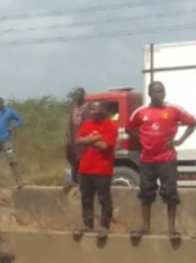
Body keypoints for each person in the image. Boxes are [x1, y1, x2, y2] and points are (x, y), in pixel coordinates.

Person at [127, 81, 196, 240]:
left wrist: (179, 141)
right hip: (147, 159)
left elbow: (192, 122)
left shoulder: (173, 109)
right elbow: (129, 128)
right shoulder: (140, 112)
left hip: (167, 159)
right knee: (146, 192)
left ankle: (171, 229)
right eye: (157, 92)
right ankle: (145, 226)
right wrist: (142, 138)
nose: (160, 94)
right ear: (150, 94)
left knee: (170, 192)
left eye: (162, 91)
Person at [74, 102, 118, 239]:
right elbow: (78, 140)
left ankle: (104, 226)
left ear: (103, 109)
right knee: (86, 199)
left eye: (95, 109)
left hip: (102, 169)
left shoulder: (110, 126)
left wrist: (88, 140)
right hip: (85, 168)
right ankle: (88, 225)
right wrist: (97, 137)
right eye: (91, 109)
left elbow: (105, 146)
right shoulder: (87, 124)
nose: (92, 111)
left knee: (104, 199)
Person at [0, 97, 24, 188]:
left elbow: (20, 120)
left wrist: (12, 128)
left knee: (12, 160)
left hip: (6, 141)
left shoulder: (9, 112)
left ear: (3, 104)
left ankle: (19, 182)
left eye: (0, 103)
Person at [66, 87, 88, 186]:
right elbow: (70, 124)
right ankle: (75, 182)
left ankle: (83, 184)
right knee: (74, 162)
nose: (76, 97)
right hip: (74, 140)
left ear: (83, 95)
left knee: (83, 162)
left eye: (78, 94)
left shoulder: (87, 107)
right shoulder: (73, 107)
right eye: (75, 95)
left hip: (84, 140)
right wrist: (69, 138)